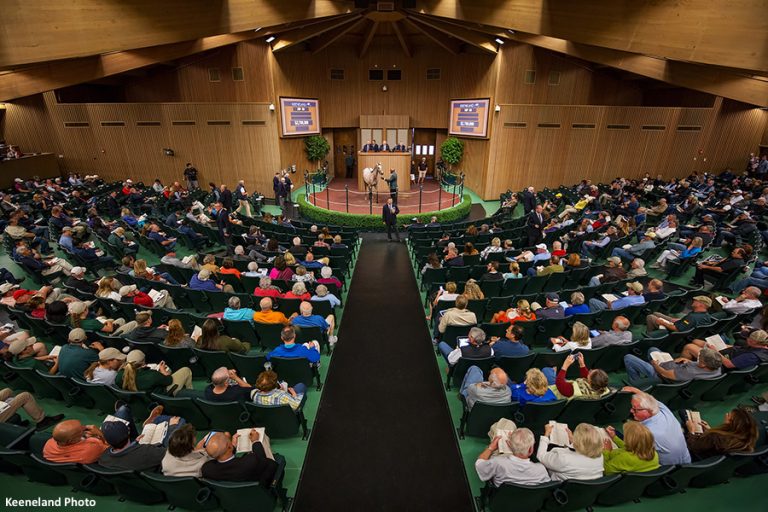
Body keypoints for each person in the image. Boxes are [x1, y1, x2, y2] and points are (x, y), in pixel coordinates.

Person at [622, 387, 691, 465]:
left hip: (667, 468)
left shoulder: (646, 433)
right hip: (687, 462)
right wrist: (635, 390)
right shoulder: (663, 409)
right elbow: (651, 400)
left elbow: (632, 450)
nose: (631, 411)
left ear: (649, 411)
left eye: (635, 409)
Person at [475, 428, 550, 486]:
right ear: (531, 449)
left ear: (509, 445)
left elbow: (479, 464)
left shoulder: (498, 462)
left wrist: (491, 448)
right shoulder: (541, 470)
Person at [200, 430, 278, 485]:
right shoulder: (251, 461)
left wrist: (233, 446)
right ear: (229, 447)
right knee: (264, 438)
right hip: (264, 478)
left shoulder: (206, 469)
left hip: (240, 493)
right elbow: (262, 459)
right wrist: (255, 441)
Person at [624, 346, 722, 387]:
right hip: (675, 367)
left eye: (700, 358)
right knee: (652, 350)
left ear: (704, 364)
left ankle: (636, 383)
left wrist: (655, 365)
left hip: (660, 374)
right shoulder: (717, 368)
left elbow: (664, 373)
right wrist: (687, 360)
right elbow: (696, 366)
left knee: (628, 358)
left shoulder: (689, 372)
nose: (698, 357)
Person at [684, 407, 759, 460]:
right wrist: (710, 430)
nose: (726, 415)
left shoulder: (715, 437)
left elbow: (693, 447)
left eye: (729, 415)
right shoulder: (743, 443)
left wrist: (691, 431)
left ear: (731, 423)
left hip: (695, 457)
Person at [537, 423, 604, 481]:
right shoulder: (600, 457)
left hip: (559, 485)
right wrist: (574, 441)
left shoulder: (563, 459)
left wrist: (546, 435)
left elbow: (541, 456)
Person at [115, 349, 193, 396]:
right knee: (186, 370)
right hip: (162, 396)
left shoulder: (119, 376)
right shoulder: (152, 375)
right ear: (143, 363)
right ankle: (190, 394)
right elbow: (169, 380)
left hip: (143, 401)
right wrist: (163, 371)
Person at [681, 329, 768, 370]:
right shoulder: (759, 346)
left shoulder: (752, 356)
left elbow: (729, 365)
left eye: (750, 340)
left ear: (757, 342)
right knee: (696, 341)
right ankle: (694, 361)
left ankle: (683, 367)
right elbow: (739, 349)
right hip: (726, 354)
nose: (747, 340)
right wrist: (723, 345)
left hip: (720, 363)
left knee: (689, 347)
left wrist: (715, 351)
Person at [43, 419, 109, 463]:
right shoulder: (91, 448)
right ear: (72, 440)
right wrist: (100, 434)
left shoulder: (49, 444)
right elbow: (111, 447)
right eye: (81, 429)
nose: (85, 427)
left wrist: (84, 436)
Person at [646, 295, 714, 333]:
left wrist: (663, 322)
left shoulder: (692, 317)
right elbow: (688, 323)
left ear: (701, 304)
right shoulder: (706, 315)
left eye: (696, 301)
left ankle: (651, 336)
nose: (693, 301)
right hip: (681, 324)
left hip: (673, 331)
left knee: (650, 317)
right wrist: (681, 320)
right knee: (656, 313)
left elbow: (677, 329)